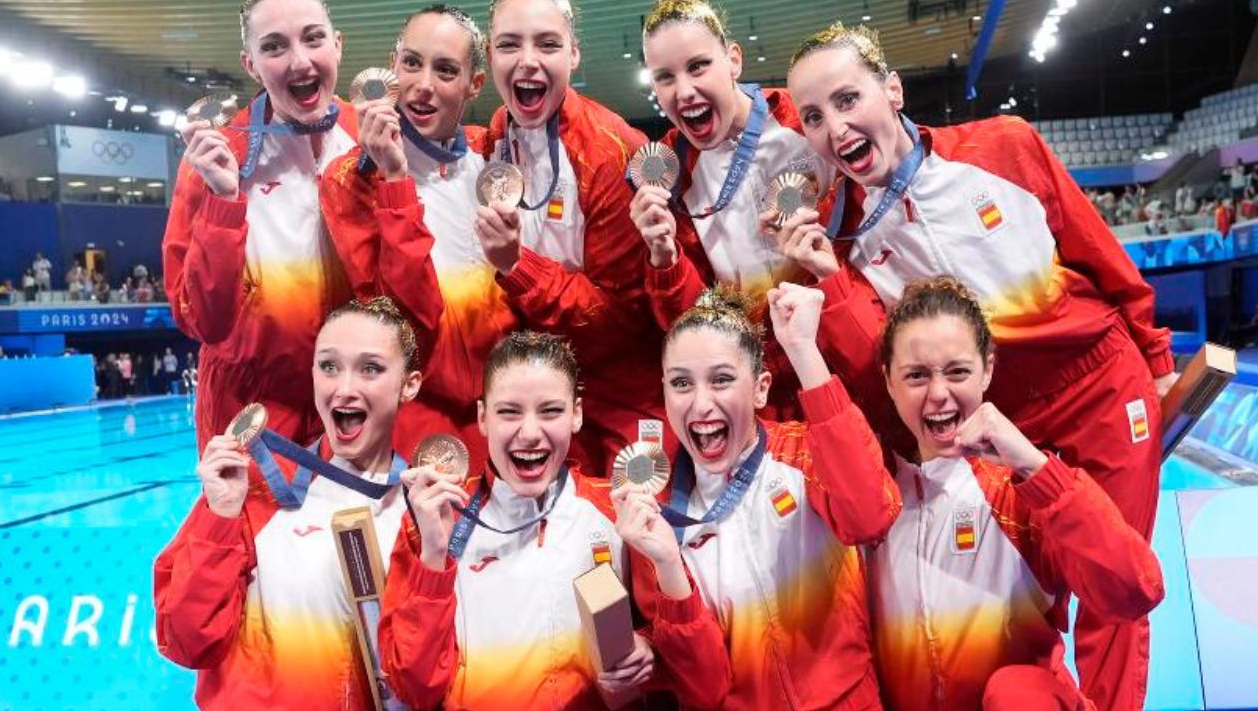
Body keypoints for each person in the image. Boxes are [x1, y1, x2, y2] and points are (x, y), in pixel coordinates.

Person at [781, 23, 1172, 711]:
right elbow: (883, 363)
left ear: (891, 89)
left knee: (1113, 598)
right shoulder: (846, 241)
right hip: (1001, 420)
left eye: (848, 99)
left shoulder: (1003, 147)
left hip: (1101, 386)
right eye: (814, 116)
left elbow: (1100, 255)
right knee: (1039, 598)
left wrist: (1158, 359)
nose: (836, 126)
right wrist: (828, 280)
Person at [378, 332, 728, 710]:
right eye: (509, 411)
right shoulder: (434, 520)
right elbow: (415, 689)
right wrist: (433, 555)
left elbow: (705, 686)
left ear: (576, 414)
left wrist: (647, 649)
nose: (530, 433)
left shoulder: (619, 512)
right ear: (482, 417)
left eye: (550, 411)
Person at [161, 0, 440, 448]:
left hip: (362, 409)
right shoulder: (216, 160)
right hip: (254, 418)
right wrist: (224, 201)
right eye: (275, 46)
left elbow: (416, 303)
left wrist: (395, 177)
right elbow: (200, 321)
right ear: (251, 65)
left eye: (313, 38)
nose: (300, 61)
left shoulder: (380, 142)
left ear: (338, 43)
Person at [870, 277, 1163, 709]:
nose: (938, 394)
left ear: (988, 369)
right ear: (889, 381)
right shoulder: (869, 500)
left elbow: (1134, 591)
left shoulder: (1023, 490)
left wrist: (1036, 467)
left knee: (1018, 695)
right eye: (916, 375)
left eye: (957, 371)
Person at [155, 297, 423, 709]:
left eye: (370, 368)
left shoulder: (422, 514)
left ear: (410, 384)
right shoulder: (253, 493)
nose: (344, 388)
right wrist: (219, 517)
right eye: (329, 366)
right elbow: (187, 642)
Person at [652, 284, 899, 709]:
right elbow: (704, 689)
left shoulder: (806, 454)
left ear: (761, 388)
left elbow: (871, 514)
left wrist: (803, 349)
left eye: (722, 380)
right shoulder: (661, 520)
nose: (701, 404)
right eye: (681, 383)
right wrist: (665, 562)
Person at [476, 0, 664, 473]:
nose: (527, 60)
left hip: (622, 394)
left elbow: (619, 324)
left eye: (547, 43)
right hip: (533, 397)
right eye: (509, 45)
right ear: (491, 57)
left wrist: (518, 267)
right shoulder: (491, 141)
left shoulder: (611, 152)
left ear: (573, 54)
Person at [323, 3, 510, 477]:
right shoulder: (350, 177)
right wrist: (395, 177)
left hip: (502, 409)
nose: (423, 85)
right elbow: (403, 320)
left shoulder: (493, 162)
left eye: (445, 70)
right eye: (411, 63)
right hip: (418, 414)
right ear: (392, 65)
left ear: (474, 84)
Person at [630, 0, 823, 419]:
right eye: (665, 77)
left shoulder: (803, 121)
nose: (683, 91)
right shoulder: (670, 174)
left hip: (837, 359)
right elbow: (690, 316)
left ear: (733, 59)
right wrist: (663, 257)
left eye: (698, 67)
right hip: (754, 388)